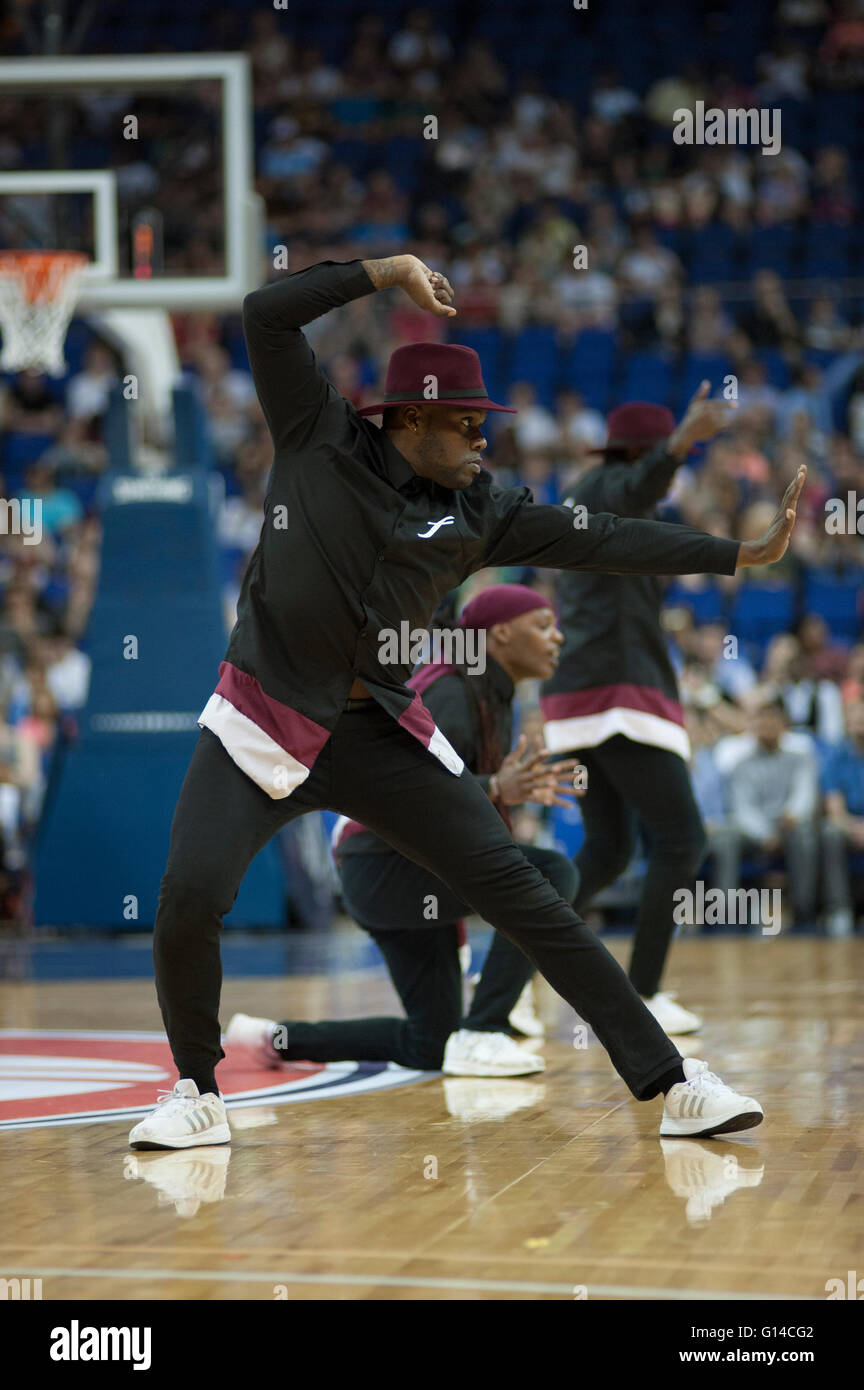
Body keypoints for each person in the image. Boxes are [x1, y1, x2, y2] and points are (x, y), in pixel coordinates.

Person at [129, 253, 805, 1151]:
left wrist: (733, 555)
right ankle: (195, 1092)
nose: (484, 440)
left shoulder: (483, 508)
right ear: (412, 419)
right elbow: (265, 313)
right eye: (467, 425)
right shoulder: (315, 433)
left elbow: (601, 536)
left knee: (530, 895)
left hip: (377, 731)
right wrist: (383, 272)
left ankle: (676, 1084)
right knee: (188, 896)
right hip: (262, 717)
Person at [227, 583, 580, 1078]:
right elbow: (418, 793)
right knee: (552, 873)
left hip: (394, 870)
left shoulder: (489, 692)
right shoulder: (455, 692)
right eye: (543, 625)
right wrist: (497, 786)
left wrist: (498, 789)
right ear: (499, 635)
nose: (557, 637)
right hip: (384, 862)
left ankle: (274, 1039)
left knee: (429, 1043)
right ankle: (487, 1026)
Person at [540, 388, 736, 1035]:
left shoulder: (589, 494)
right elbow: (639, 485)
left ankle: (505, 969)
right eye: (662, 461)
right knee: (683, 839)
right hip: (617, 696)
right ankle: (645, 993)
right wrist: (682, 442)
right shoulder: (608, 489)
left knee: (608, 850)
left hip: (582, 695)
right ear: (642, 455)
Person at [709, 700, 820, 925]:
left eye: (773, 719)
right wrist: (764, 834)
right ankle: (726, 914)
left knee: (806, 835)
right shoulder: (742, 764)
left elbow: (805, 794)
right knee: (725, 837)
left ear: (784, 725)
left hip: (790, 825)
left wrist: (792, 816)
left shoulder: (800, 759)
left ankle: (803, 910)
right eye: (762, 719)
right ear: (754, 725)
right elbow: (741, 807)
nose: (767, 724)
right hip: (754, 830)